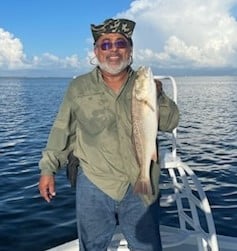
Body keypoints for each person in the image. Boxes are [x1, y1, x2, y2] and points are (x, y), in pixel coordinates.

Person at [38, 18, 179, 251]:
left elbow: (170, 122)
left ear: (130, 49)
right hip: (94, 182)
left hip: (139, 183)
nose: (113, 50)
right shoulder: (79, 87)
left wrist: (159, 96)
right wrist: (48, 169)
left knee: (147, 247)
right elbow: (62, 130)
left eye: (120, 44)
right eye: (105, 45)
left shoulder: (145, 85)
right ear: (96, 51)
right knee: (92, 247)